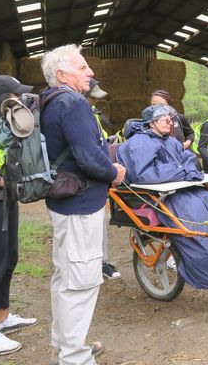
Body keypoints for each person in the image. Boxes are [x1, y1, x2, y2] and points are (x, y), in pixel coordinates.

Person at [40, 44, 126, 365]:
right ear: (61, 75)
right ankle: (75, 357)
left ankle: (62, 345)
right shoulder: (72, 102)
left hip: (63, 201)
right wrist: (113, 172)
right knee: (82, 280)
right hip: (80, 204)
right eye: (82, 67)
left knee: (65, 276)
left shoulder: (49, 101)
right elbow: (89, 157)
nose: (90, 72)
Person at [117, 105, 208, 288]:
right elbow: (145, 174)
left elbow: (189, 161)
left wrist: (184, 170)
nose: (170, 122)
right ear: (152, 123)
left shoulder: (170, 141)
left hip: (180, 189)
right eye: (164, 119)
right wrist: (181, 171)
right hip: (159, 196)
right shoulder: (139, 143)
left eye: (170, 119)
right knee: (194, 216)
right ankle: (206, 273)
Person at [0, 76, 37, 355]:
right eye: (15, 94)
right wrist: (0, 183)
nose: (20, 99)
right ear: (2, 99)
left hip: (5, 202)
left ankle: (3, 317)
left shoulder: (5, 125)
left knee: (9, 259)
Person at [85, 79, 120, 281]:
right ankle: (93, 266)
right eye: (92, 97)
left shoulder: (93, 115)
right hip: (89, 178)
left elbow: (97, 142)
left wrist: (108, 142)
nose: (95, 101)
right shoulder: (78, 117)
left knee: (100, 222)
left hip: (98, 178)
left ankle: (101, 263)